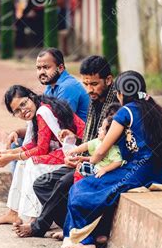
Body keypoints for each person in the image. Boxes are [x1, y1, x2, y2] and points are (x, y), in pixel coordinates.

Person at [61, 71, 162, 248]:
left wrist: (87, 160)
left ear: (121, 94)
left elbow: (102, 149)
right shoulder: (156, 109)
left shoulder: (125, 112)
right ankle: (81, 235)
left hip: (135, 172)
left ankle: (85, 241)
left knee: (83, 189)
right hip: (158, 174)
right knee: (99, 189)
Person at [12, 55, 119, 238]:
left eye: (93, 84)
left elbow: (108, 146)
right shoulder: (95, 100)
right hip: (88, 158)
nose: (89, 90)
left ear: (108, 80)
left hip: (106, 164)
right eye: (86, 84)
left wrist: (83, 159)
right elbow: (91, 139)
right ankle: (72, 228)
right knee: (42, 184)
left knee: (63, 183)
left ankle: (39, 227)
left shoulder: (115, 105)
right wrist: (76, 140)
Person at [0, 85, 85, 224]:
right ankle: (13, 212)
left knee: (32, 162)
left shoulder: (43, 111)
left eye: (23, 104)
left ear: (31, 97)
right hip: (61, 150)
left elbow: (41, 150)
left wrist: (11, 157)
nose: (23, 111)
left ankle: (34, 218)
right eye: (17, 111)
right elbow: (33, 144)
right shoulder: (35, 112)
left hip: (76, 150)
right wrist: (10, 152)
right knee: (23, 163)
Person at [68, 103, 123, 183]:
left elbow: (118, 162)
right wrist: (74, 151)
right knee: (79, 171)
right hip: (96, 167)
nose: (99, 129)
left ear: (110, 134)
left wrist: (105, 169)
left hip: (102, 171)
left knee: (82, 175)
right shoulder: (98, 141)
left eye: (102, 129)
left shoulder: (113, 148)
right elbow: (86, 145)